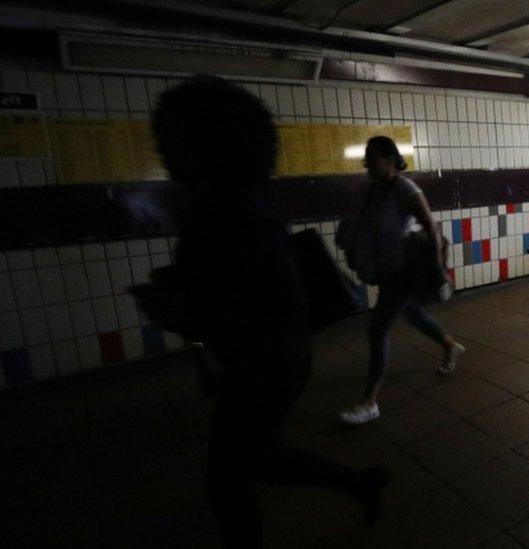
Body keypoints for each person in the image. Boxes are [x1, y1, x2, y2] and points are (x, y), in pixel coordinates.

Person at [151, 76, 388, 548]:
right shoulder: (241, 202)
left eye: (169, 139)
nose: (163, 152)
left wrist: (175, 308)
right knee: (253, 461)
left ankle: (359, 484)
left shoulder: (222, 212)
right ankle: (360, 484)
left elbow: (226, 305)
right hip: (277, 354)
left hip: (264, 359)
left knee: (231, 477)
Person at [338, 136, 464, 426]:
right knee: (413, 314)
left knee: (377, 330)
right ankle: (448, 345)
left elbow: (430, 227)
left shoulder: (404, 188)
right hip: (385, 271)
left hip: (403, 271)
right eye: (366, 157)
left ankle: (369, 402)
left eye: (373, 157)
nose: (367, 162)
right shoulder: (373, 191)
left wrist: (437, 265)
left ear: (391, 159)